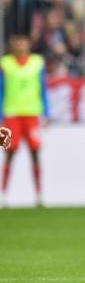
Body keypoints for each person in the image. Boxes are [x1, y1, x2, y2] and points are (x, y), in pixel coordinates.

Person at [0, 34, 50, 205]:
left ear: (29, 44)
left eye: (23, 43)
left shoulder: (37, 63)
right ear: (13, 45)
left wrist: (46, 112)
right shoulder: (5, 64)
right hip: (10, 116)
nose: (20, 46)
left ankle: (39, 195)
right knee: (8, 153)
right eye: (17, 43)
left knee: (35, 153)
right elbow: (1, 90)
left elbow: (43, 88)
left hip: (32, 114)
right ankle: (3, 194)